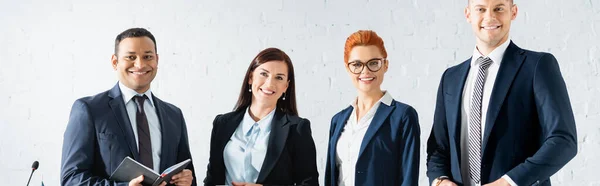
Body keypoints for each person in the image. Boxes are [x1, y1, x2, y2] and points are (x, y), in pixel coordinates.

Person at [426, 0, 577, 185]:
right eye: (481, 9)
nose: (490, 17)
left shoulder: (538, 66)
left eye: (499, 8)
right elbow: (438, 148)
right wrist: (440, 181)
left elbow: (563, 140)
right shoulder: (450, 78)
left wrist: (508, 182)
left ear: (513, 12)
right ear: (468, 14)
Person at [61, 28, 196, 186]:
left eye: (147, 57)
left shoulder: (174, 115)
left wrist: (186, 181)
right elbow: (71, 179)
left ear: (157, 60)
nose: (140, 64)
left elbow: (188, 175)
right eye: (131, 57)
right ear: (115, 62)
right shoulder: (89, 110)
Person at [203, 48, 319, 186]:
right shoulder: (222, 124)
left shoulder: (297, 128)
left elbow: (309, 183)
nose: (270, 83)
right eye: (264, 74)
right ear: (251, 77)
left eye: (279, 77)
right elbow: (212, 179)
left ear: (286, 87)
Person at [325, 30, 420, 186]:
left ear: (385, 65)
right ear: (348, 68)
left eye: (373, 63)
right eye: (357, 64)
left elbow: (408, 178)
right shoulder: (338, 120)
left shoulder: (403, 116)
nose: (365, 71)